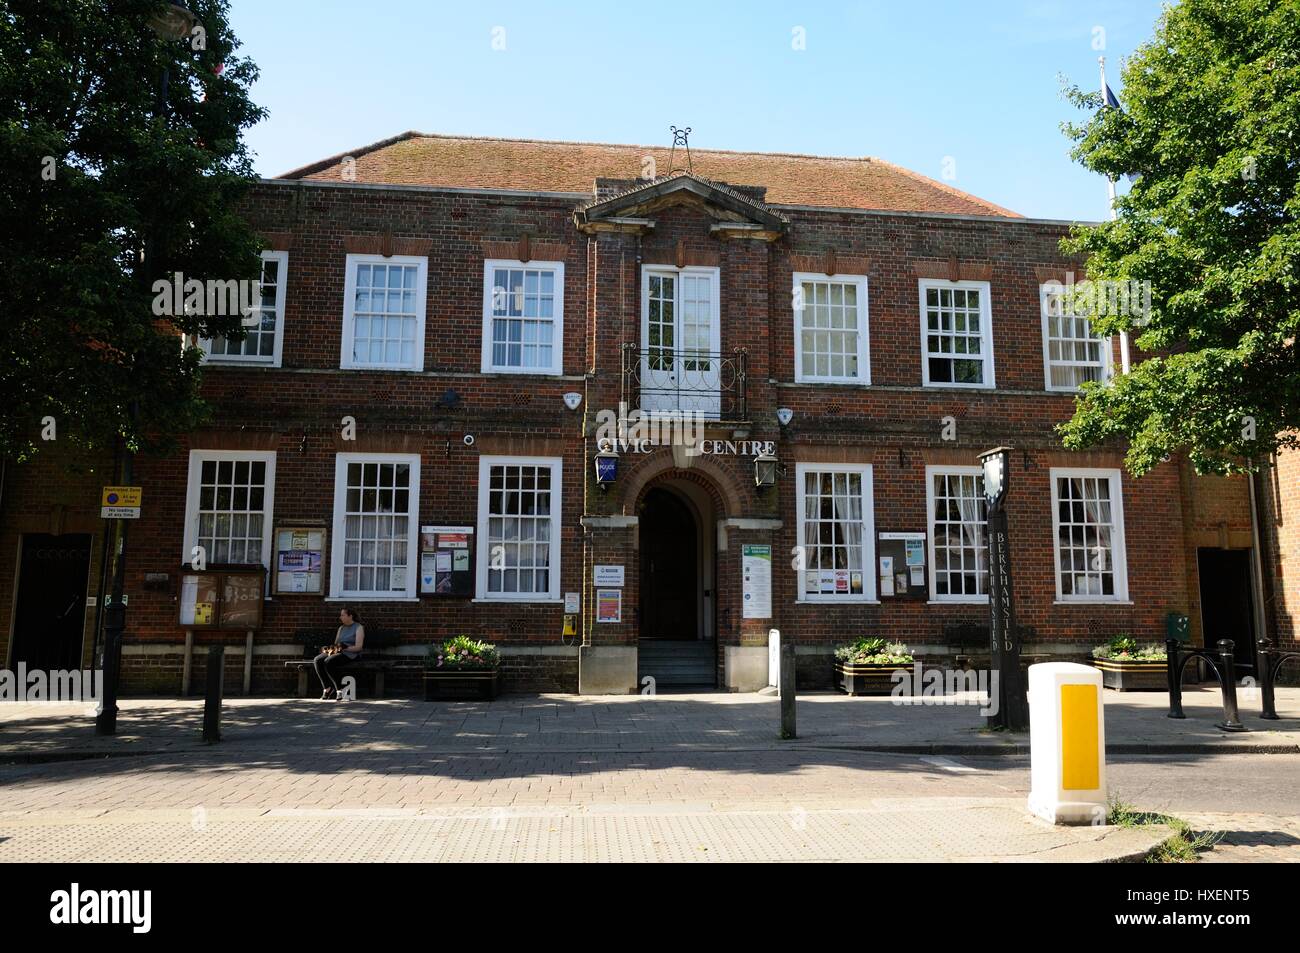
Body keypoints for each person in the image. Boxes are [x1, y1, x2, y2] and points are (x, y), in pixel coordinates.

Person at [314, 605, 365, 699]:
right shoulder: (341, 628)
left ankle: (340, 689)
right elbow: (336, 643)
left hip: (350, 653)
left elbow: (358, 647)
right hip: (339, 651)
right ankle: (327, 688)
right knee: (318, 659)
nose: (340, 617)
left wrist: (344, 648)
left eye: (343, 615)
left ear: (350, 616)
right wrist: (331, 649)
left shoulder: (358, 627)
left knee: (329, 661)